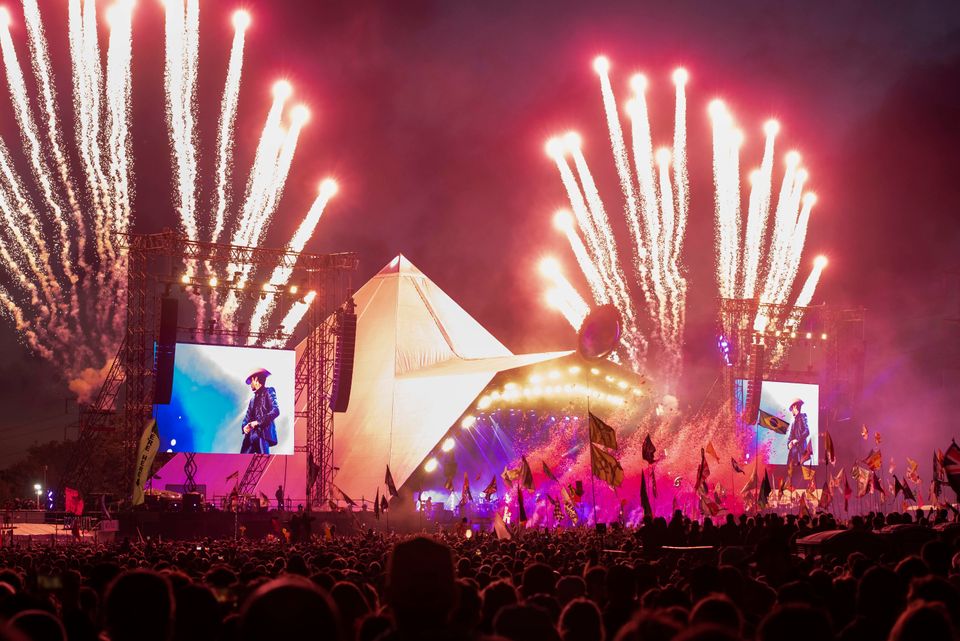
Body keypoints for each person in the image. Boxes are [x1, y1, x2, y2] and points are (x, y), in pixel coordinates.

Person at [240, 368, 280, 454]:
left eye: (251, 381)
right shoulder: (252, 400)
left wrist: (258, 422)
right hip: (249, 437)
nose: (250, 384)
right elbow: (247, 417)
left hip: (262, 435)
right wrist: (244, 427)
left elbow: (276, 410)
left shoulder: (269, 391)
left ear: (256, 379)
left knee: (263, 460)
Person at [785, 398, 809, 468]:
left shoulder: (803, 416)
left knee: (799, 471)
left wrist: (797, 439)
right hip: (793, 452)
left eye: (792, 409)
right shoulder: (793, 422)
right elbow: (790, 436)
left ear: (795, 407)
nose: (791, 411)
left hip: (800, 452)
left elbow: (807, 431)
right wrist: (788, 444)